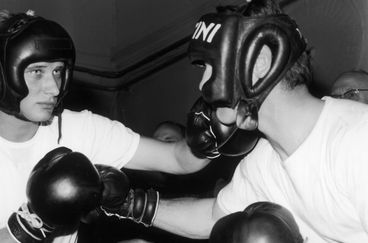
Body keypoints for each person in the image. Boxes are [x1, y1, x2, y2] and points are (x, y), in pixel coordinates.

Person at [0, 9, 208, 243]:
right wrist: (31, 224)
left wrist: (220, 112)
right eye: (37, 71)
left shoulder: (81, 129)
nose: (53, 87)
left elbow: (181, 159)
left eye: (58, 71)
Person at [125, 0, 368, 242]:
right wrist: (129, 203)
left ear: (260, 62)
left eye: (210, 66)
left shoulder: (357, 139)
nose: (202, 84)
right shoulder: (264, 161)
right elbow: (212, 217)